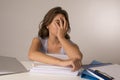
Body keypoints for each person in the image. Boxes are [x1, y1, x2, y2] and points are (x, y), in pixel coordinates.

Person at [28, 7, 83, 71]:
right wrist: (61, 62)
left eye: (63, 23)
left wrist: (61, 37)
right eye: (57, 22)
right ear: (47, 25)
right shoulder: (38, 40)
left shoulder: (70, 45)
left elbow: (78, 57)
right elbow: (31, 55)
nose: (61, 26)